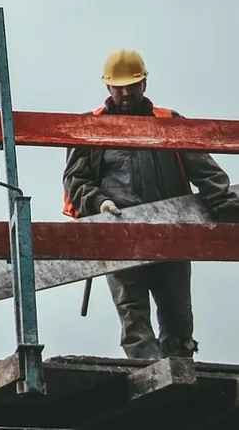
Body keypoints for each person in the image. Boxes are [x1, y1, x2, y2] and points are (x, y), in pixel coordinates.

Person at [62, 48, 239, 358]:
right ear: (108, 87)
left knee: (177, 312)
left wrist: (227, 209)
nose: (127, 92)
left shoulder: (169, 122)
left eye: (133, 85)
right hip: (119, 231)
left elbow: (205, 171)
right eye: (120, 86)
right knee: (133, 312)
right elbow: (75, 181)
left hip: (173, 232)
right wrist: (99, 202)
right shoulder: (91, 126)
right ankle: (148, 373)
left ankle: (179, 367)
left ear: (144, 83)